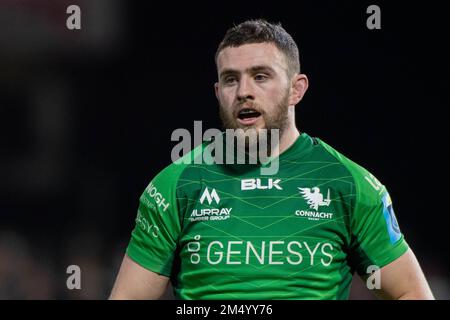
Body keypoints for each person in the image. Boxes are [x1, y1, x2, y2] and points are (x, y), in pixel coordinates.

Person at [109, 19, 434, 299]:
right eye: (230, 79)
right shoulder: (174, 185)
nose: (243, 92)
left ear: (297, 89)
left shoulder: (350, 185)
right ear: (217, 92)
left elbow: (412, 292)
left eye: (260, 76)